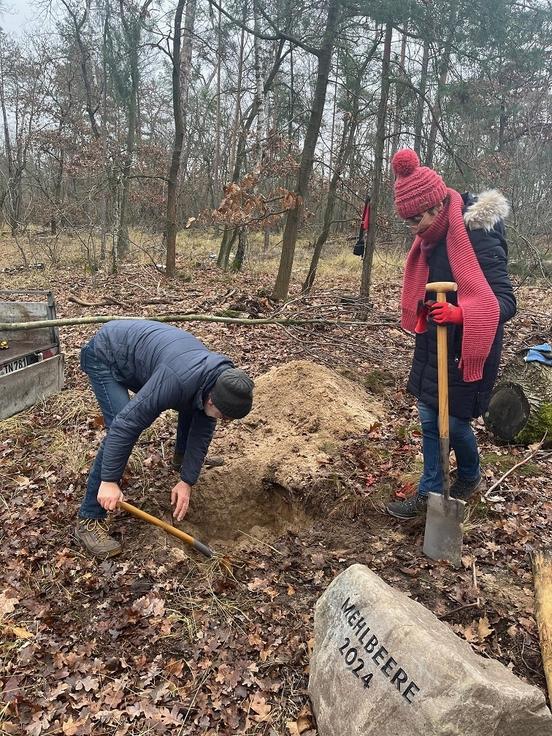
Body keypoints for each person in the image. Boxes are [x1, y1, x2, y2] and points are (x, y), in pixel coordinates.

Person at [386, 149, 516, 520]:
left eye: (415, 218)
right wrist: (428, 308)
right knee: (428, 417)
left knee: (455, 422)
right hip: (433, 343)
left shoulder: (478, 236)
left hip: (470, 348)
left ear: (435, 206)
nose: (412, 227)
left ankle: (470, 474)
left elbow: (505, 302)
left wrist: (462, 313)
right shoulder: (428, 239)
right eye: (406, 220)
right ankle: (429, 491)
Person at [75, 320, 254, 556]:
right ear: (213, 399)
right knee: (121, 420)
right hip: (106, 354)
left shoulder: (218, 380)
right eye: (223, 416)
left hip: (145, 357)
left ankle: (179, 460)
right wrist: (109, 481)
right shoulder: (178, 380)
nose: (222, 421)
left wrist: (187, 480)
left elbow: (201, 430)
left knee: (196, 411)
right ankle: (89, 519)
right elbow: (125, 426)